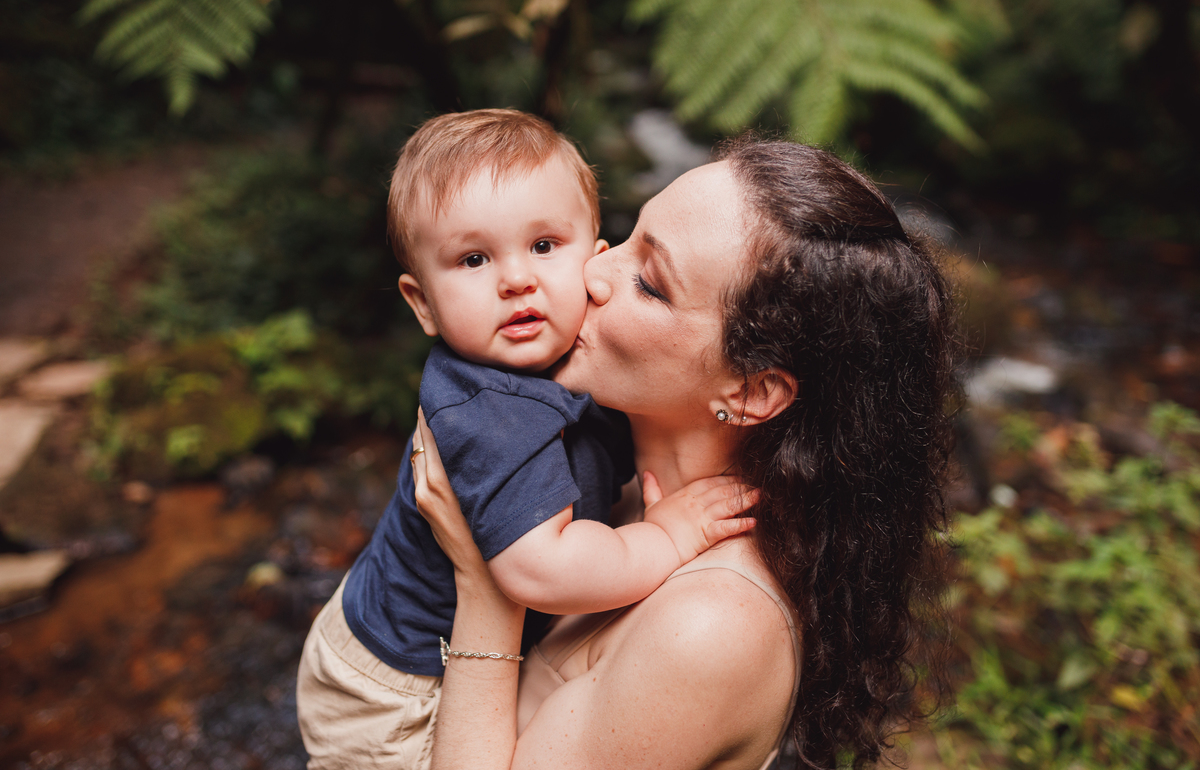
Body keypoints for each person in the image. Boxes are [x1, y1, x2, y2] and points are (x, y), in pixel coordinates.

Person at [410, 137, 958, 770]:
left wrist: (484, 589)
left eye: (648, 283)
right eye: (626, 236)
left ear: (751, 391)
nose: (590, 272)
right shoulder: (597, 474)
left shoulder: (712, 625)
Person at [296, 110, 753, 770]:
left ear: (594, 262)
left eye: (544, 246)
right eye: (474, 259)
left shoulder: (573, 360)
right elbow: (539, 568)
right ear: (421, 302)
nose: (516, 279)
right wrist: (668, 538)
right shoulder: (488, 408)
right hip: (392, 684)